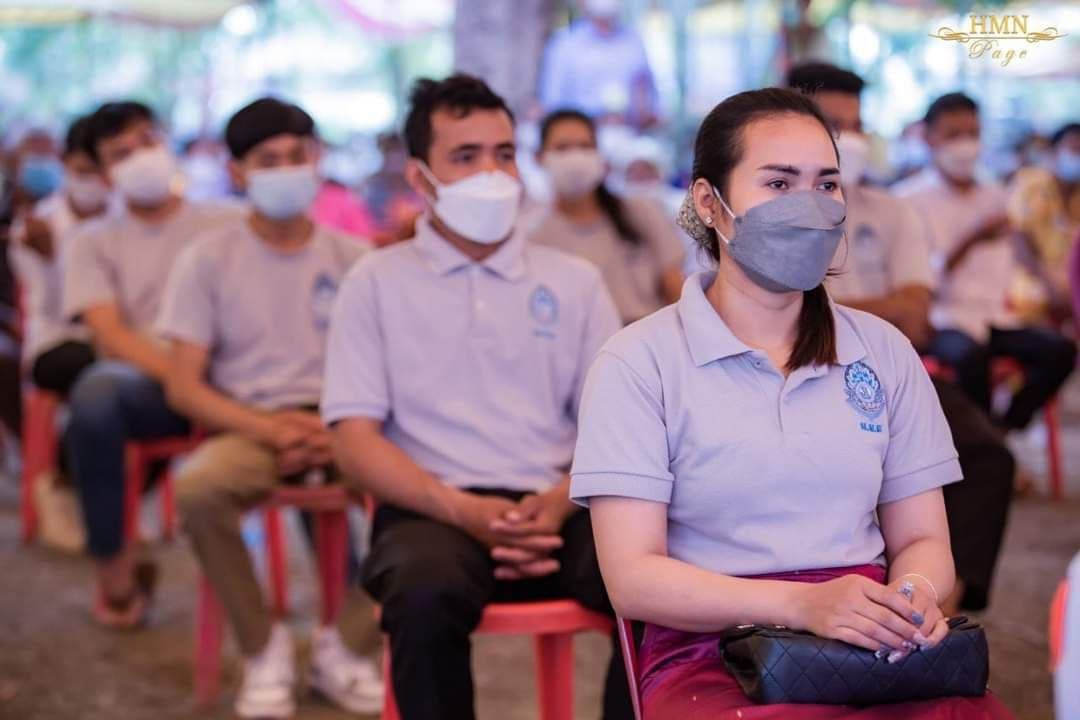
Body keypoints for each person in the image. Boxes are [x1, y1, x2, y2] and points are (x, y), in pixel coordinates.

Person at [570, 86, 1014, 718]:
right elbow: (633, 578)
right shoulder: (638, 362)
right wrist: (801, 605)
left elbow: (922, 539)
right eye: (779, 184)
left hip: (867, 637)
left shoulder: (883, 352)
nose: (810, 205)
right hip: (713, 652)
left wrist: (912, 595)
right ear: (710, 203)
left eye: (826, 184)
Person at [322, 74, 630, 720]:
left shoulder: (574, 281)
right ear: (420, 177)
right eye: (465, 156)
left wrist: (557, 501)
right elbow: (353, 441)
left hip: (563, 502)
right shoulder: (375, 283)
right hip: (432, 507)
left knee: (657, 582)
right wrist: (462, 511)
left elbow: (619, 424)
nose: (491, 173)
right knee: (422, 595)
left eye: (504, 154)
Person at [160, 98, 380, 719]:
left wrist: (337, 427)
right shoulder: (207, 259)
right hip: (250, 424)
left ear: (317, 160)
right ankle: (263, 648)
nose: (286, 169)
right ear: (237, 172)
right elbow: (184, 387)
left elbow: (391, 371)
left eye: (297, 155)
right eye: (268, 160)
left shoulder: (356, 260)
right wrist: (270, 428)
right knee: (199, 489)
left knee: (428, 489)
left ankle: (348, 646)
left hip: (347, 421)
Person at [788, 62, 1014, 613]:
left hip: (886, 370)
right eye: (832, 125)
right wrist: (873, 308)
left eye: (855, 126)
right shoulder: (763, 216)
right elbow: (771, 317)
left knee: (987, 455)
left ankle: (934, 608)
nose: (848, 140)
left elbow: (914, 319)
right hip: (788, 372)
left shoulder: (891, 212)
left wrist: (820, 306)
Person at [62, 101, 243, 628]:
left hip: (242, 379)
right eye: (121, 153)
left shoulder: (229, 221)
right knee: (95, 394)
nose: (141, 156)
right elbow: (110, 333)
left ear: (166, 140)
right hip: (154, 383)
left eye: (147, 140)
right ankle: (114, 566)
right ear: (103, 174)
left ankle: (353, 598)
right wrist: (187, 382)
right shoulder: (91, 240)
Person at [893, 93, 1076, 435]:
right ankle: (982, 442)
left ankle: (1000, 431)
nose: (965, 144)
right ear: (929, 138)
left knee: (1059, 350)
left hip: (994, 316)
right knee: (970, 359)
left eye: (972, 134)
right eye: (953, 134)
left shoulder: (995, 193)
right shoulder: (906, 200)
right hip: (942, 319)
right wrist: (972, 238)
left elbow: (1015, 254)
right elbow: (918, 278)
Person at [8, 115, 111, 552]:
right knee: (102, 379)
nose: (95, 180)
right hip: (59, 342)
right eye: (85, 169)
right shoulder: (37, 226)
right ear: (67, 163)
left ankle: (113, 500)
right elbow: (53, 310)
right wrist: (52, 260)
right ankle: (63, 482)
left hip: (121, 342)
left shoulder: (127, 218)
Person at [529, 110, 684, 324]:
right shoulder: (535, 236)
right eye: (562, 148)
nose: (575, 158)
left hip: (650, 335)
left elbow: (674, 287)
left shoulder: (640, 212)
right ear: (538, 158)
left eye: (585, 146)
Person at [539, 0, 660, 129]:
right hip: (583, 135)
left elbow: (654, 105)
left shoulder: (634, 41)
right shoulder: (563, 45)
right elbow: (552, 107)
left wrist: (645, 114)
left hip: (631, 134)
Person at [1007, 121, 1080, 321]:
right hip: (1032, 281)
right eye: (1074, 149)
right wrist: (1049, 283)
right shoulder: (1031, 184)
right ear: (1054, 152)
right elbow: (1018, 238)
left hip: (1070, 283)